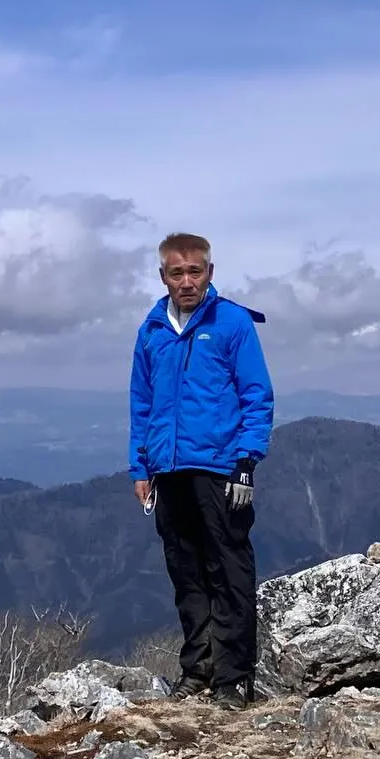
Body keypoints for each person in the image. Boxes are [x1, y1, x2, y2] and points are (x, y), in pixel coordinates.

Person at [128, 232, 274, 710]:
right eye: (177, 272)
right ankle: (199, 669)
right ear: (163, 276)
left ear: (210, 272)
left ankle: (234, 679)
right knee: (186, 573)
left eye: (195, 271)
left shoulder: (232, 323)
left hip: (221, 469)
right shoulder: (152, 329)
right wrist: (140, 466)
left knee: (229, 571)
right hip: (168, 470)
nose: (187, 281)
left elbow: (257, 396)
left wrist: (247, 462)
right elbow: (142, 403)